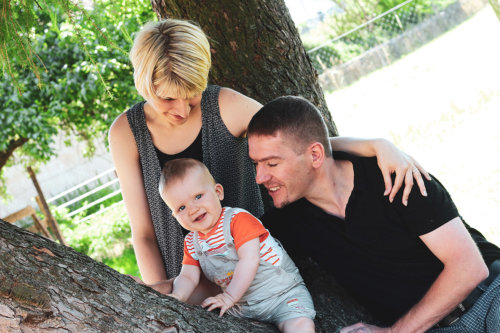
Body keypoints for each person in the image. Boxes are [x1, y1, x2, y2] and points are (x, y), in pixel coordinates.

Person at [108, 18, 429, 288]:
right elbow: (144, 234)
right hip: (187, 282)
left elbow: (300, 144)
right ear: (144, 85)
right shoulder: (126, 134)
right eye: (166, 99)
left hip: (257, 270)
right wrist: (163, 301)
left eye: (191, 96)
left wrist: (377, 145)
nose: (180, 110)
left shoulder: (224, 107)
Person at [247, 96, 500, 333]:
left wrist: (394, 332)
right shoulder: (290, 222)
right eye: (256, 164)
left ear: (315, 155)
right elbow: (226, 255)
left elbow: (469, 269)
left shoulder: (394, 176)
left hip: (489, 296)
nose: (260, 177)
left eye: (271, 164)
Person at [158, 158, 316, 332]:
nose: (192, 209)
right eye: (181, 208)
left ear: (218, 192)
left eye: (198, 196)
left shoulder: (237, 220)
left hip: (282, 295)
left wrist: (228, 297)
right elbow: (188, 276)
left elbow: (249, 260)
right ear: (174, 216)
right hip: (243, 308)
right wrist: (179, 296)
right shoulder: (191, 243)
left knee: (299, 325)